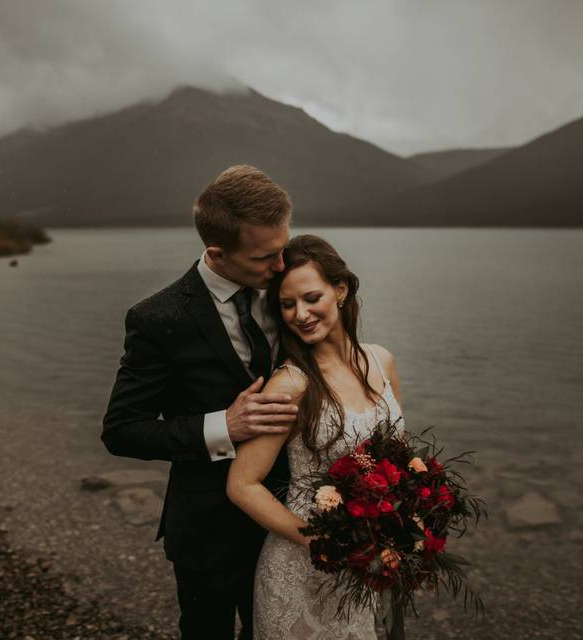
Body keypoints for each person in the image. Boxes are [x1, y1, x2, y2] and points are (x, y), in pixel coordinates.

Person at [101, 165, 298, 640]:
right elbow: (122, 429)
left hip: (290, 519)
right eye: (264, 258)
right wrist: (223, 426)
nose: (280, 267)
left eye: (283, 250)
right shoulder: (158, 318)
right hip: (209, 530)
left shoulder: (288, 293)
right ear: (216, 253)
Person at [226, 234, 404, 640]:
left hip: (366, 565)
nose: (300, 314)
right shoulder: (291, 383)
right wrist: (322, 542)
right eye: (287, 305)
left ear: (340, 290)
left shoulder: (382, 360)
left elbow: (396, 457)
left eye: (311, 298)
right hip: (302, 569)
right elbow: (242, 485)